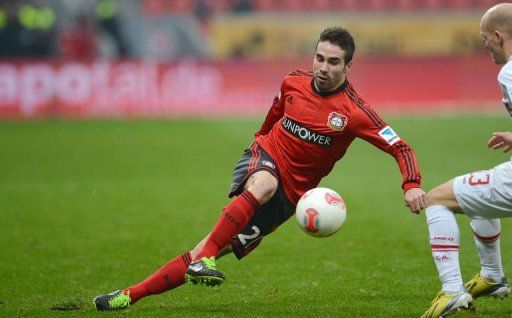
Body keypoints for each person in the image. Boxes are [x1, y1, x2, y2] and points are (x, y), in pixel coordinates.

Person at [93, 27, 427, 311]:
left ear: (348, 66)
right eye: (319, 58)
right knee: (263, 185)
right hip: (266, 157)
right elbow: (275, 113)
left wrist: (411, 183)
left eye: (333, 62)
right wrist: (261, 139)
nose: (323, 68)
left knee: (207, 247)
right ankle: (203, 261)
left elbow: (400, 146)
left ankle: (129, 296)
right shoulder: (293, 82)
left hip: (289, 198)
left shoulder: (354, 113)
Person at [421, 3, 512, 318]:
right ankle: (492, 277)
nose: (484, 44)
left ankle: (451, 292)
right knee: (475, 190)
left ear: (499, 36)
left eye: (485, 38)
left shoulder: (510, 72)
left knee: (436, 199)